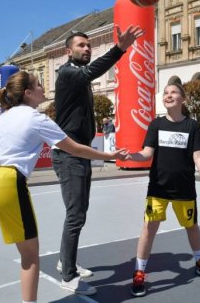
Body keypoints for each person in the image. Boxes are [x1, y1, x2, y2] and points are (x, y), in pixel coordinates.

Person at [0, 71, 128, 303]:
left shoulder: (1, 119)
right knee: (30, 257)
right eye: (39, 85)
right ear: (28, 93)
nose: (43, 88)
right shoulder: (36, 118)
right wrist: (108, 154)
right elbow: (75, 148)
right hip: (5, 182)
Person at [52, 25, 143, 295]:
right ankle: (68, 276)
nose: (87, 48)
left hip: (79, 152)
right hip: (69, 155)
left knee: (78, 214)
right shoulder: (69, 73)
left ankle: (64, 261)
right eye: (81, 45)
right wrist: (120, 48)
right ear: (68, 52)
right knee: (75, 215)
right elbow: (94, 70)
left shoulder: (79, 78)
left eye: (89, 45)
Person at [127, 82, 200, 297]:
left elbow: (198, 156)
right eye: (165, 93)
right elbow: (147, 153)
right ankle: (139, 272)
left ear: (183, 99)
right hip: (158, 188)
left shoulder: (192, 126)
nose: (168, 95)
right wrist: (129, 155)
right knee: (149, 229)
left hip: (184, 189)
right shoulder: (156, 124)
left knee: (192, 226)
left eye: (173, 92)